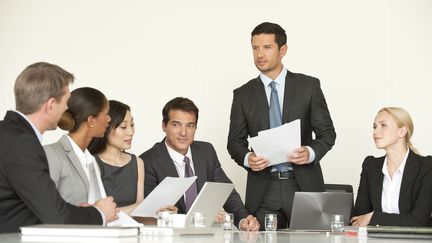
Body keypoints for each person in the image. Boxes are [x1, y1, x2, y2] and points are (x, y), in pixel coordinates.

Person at [227, 22, 336, 230]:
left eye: (267, 47)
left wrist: (311, 152)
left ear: (282, 50)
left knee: (310, 240)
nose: (260, 54)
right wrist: (247, 158)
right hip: (263, 189)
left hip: (303, 186)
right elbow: (234, 142)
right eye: (255, 48)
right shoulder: (243, 94)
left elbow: (327, 133)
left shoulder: (308, 86)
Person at [0, 62, 117, 233]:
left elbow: (23, 206)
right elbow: (56, 216)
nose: (67, 108)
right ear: (51, 105)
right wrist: (99, 212)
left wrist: (81, 212)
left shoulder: (7, 133)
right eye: (66, 101)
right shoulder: (23, 143)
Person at [140, 97, 259, 231]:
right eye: (176, 125)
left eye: (190, 125)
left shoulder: (206, 152)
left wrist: (243, 219)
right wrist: (198, 219)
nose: (183, 133)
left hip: (203, 236)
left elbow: (226, 190)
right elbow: (153, 213)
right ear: (164, 125)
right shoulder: (147, 161)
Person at [89, 100, 177, 215]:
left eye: (132, 125)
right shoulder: (91, 162)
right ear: (106, 127)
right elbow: (97, 213)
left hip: (133, 230)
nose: (130, 132)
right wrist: (143, 206)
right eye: (123, 126)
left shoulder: (137, 162)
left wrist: (162, 212)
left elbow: (139, 213)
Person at [351, 107, 432, 226]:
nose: (375, 132)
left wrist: (374, 217)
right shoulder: (370, 166)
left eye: (383, 125)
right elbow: (358, 218)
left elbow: (419, 221)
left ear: (402, 131)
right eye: (375, 126)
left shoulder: (426, 167)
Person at [44, 87, 111, 206]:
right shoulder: (51, 154)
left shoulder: (92, 161)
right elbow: (44, 206)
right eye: (106, 114)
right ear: (91, 121)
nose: (109, 119)